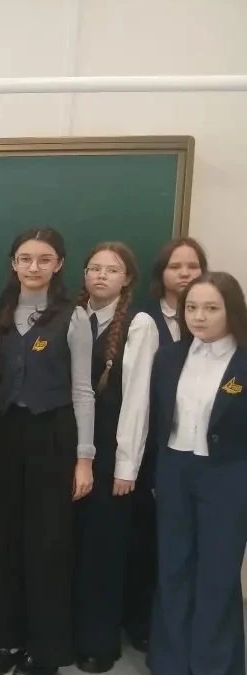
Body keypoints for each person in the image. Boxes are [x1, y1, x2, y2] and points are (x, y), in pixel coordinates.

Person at [0, 227, 95, 675]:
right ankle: (4, 638)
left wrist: (84, 458)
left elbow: (83, 390)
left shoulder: (73, 316)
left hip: (53, 436)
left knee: (47, 544)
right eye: (25, 258)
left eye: (44, 259)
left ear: (58, 264)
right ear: (13, 263)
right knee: (3, 539)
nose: (33, 267)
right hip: (6, 436)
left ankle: (42, 650)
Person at [144, 272, 247, 675]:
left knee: (216, 578)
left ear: (232, 311)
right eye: (191, 308)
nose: (199, 317)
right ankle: (172, 669)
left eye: (211, 308)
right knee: (173, 569)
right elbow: (157, 419)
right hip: (175, 470)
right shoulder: (170, 356)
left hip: (228, 476)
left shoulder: (243, 360)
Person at [72, 243, 158, 673]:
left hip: (110, 453)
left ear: (127, 279)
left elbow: (138, 400)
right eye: (94, 268)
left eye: (112, 270)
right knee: (70, 545)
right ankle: (67, 634)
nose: (102, 275)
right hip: (70, 450)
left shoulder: (139, 324)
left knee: (104, 550)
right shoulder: (73, 317)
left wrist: (127, 466)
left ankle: (98, 643)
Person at [124, 237, 208, 652]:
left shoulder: (213, 322)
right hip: (149, 447)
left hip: (195, 451)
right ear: (162, 273)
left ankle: (177, 626)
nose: (185, 273)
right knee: (144, 540)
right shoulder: (144, 318)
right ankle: (141, 623)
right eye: (176, 266)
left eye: (193, 266)